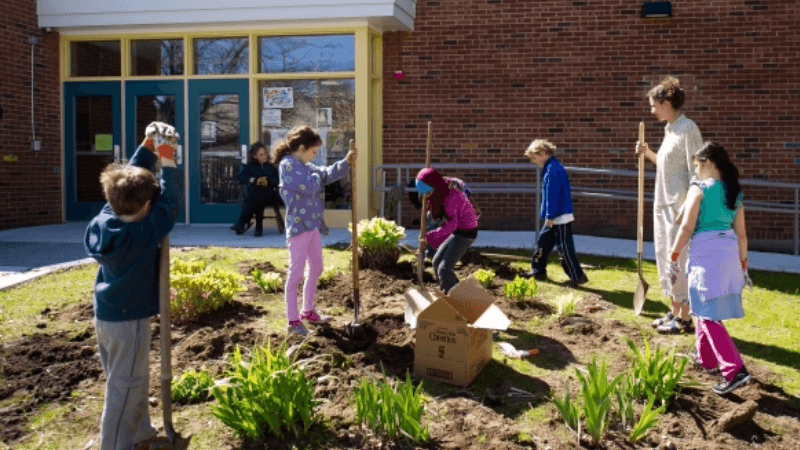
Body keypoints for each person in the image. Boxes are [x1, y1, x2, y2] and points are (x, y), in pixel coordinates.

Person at [84, 122, 183, 450]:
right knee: (124, 389)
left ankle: (140, 432)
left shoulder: (104, 220)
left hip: (108, 316)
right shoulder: (140, 234)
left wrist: (149, 145)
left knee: (130, 381)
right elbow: (169, 203)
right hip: (129, 322)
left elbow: (129, 183)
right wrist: (168, 158)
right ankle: (115, 445)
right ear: (144, 209)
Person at [668, 142, 752, 395]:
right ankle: (707, 359)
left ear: (707, 164)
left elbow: (686, 227)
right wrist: (743, 265)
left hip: (706, 253)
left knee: (708, 311)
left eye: (696, 166)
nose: (696, 172)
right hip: (728, 252)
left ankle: (735, 369)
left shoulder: (700, 188)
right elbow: (743, 234)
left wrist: (673, 256)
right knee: (702, 307)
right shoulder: (734, 192)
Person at [636, 76, 703, 334]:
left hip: (679, 209)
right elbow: (668, 166)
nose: (652, 110)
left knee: (679, 260)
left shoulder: (688, 129)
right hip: (663, 205)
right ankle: (674, 311)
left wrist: (689, 207)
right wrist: (649, 153)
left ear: (666, 103)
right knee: (665, 258)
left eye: (654, 105)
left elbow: (696, 171)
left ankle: (685, 318)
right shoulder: (670, 129)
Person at [276, 126, 357, 336]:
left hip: (312, 226)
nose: (314, 156)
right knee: (295, 275)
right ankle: (293, 322)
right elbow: (310, 185)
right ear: (302, 148)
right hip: (298, 227)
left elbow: (325, 174)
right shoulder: (288, 165)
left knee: (317, 267)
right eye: (313, 152)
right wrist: (317, 176)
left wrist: (345, 163)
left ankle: (308, 311)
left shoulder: (305, 164)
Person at [521, 139, 589, 286]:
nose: (533, 160)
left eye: (535, 156)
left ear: (543, 153)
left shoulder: (553, 170)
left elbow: (553, 195)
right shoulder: (550, 168)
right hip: (554, 216)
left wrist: (550, 217)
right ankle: (538, 271)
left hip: (559, 217)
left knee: (564, 248)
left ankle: (577, 276)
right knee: (542, 244)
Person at [416, 167, 479, 293]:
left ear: (434, 186)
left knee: (444, 269)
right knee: (436, 262)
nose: (425, 196)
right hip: (458, 230)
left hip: (466, 232)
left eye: (427, 192)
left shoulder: (451, 197)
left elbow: (451, 225)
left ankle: (453, 300)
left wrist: (429, 237)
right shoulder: (440, 187)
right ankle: (456, 292)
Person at [231, 142, 283, 237]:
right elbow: (240, 177)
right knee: (258, 191)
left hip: (271, 196)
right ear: (255, 156)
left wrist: (267, 181)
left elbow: (279, 180)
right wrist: (253, 180)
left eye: (265, 153)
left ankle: (243, 222)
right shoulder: (251, 166)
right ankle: (258, 228)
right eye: (261, 154)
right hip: (257, 197)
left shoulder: (272, 166)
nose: (265, 156)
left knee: (257, 190)